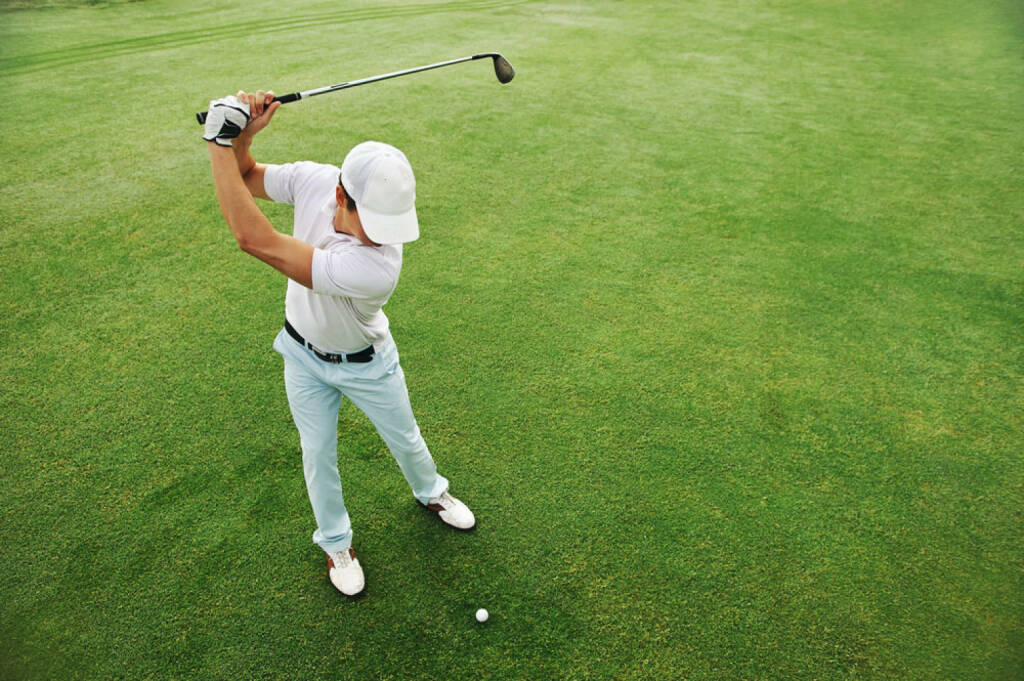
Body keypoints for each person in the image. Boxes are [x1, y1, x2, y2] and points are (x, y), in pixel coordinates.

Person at [203, 91, 475, 597]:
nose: (384, 236)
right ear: (341, 196)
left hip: (368, 364)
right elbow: (247, 177)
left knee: (407, 438)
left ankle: (431, 493)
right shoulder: (314, 179)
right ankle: (336, 543)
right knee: (317, 453)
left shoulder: (377, 266)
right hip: (302, 356)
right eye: (376, 222)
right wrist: (243, 139)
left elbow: (253, 239)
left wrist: (220, 141)